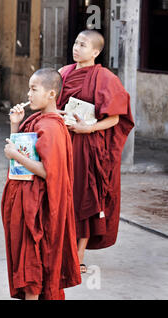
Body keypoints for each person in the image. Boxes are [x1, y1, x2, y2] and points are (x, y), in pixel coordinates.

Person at [57, 30, 134, 273]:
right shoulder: (63, 73)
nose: (76, 48)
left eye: (83, 44)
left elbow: (114, 119)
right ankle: (59, 250)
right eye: (76, 42)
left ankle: (77, 256)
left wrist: (87, 128)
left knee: (83, 198)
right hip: (61, 142)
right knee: (61, 196)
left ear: (96, 52)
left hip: (87, 147)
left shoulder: (106, 79)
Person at [1, 68, 81, 300]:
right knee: (27, 259)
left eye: (34, 89)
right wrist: (15, 125)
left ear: (51, 94)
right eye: (29, 88)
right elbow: (23, 148)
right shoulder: (37, 120)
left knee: (32, 261)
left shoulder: (52, 127)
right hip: (27, 200)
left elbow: (49, 172)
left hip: (39, 207)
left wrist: (16, 156)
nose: (29, 94)